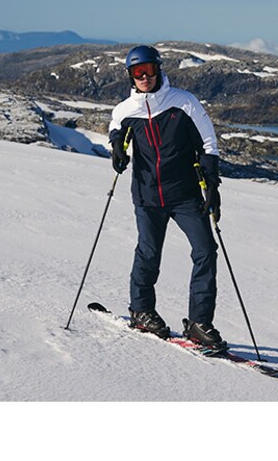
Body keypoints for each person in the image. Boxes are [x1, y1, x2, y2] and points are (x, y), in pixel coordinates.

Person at [108, 44, 227, 349]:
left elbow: (208, 143)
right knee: (149, 253)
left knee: (205, 251)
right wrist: (117, 149)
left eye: (148, 70)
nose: (144, 76)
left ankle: (200, 323)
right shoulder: (126, 110)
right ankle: (141, 310)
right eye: (137, 72)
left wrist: (212, 185)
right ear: (130, 76)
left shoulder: (183, 103)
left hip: (186, 194)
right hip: (147, 195)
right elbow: (115, 129)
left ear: (159, 69)